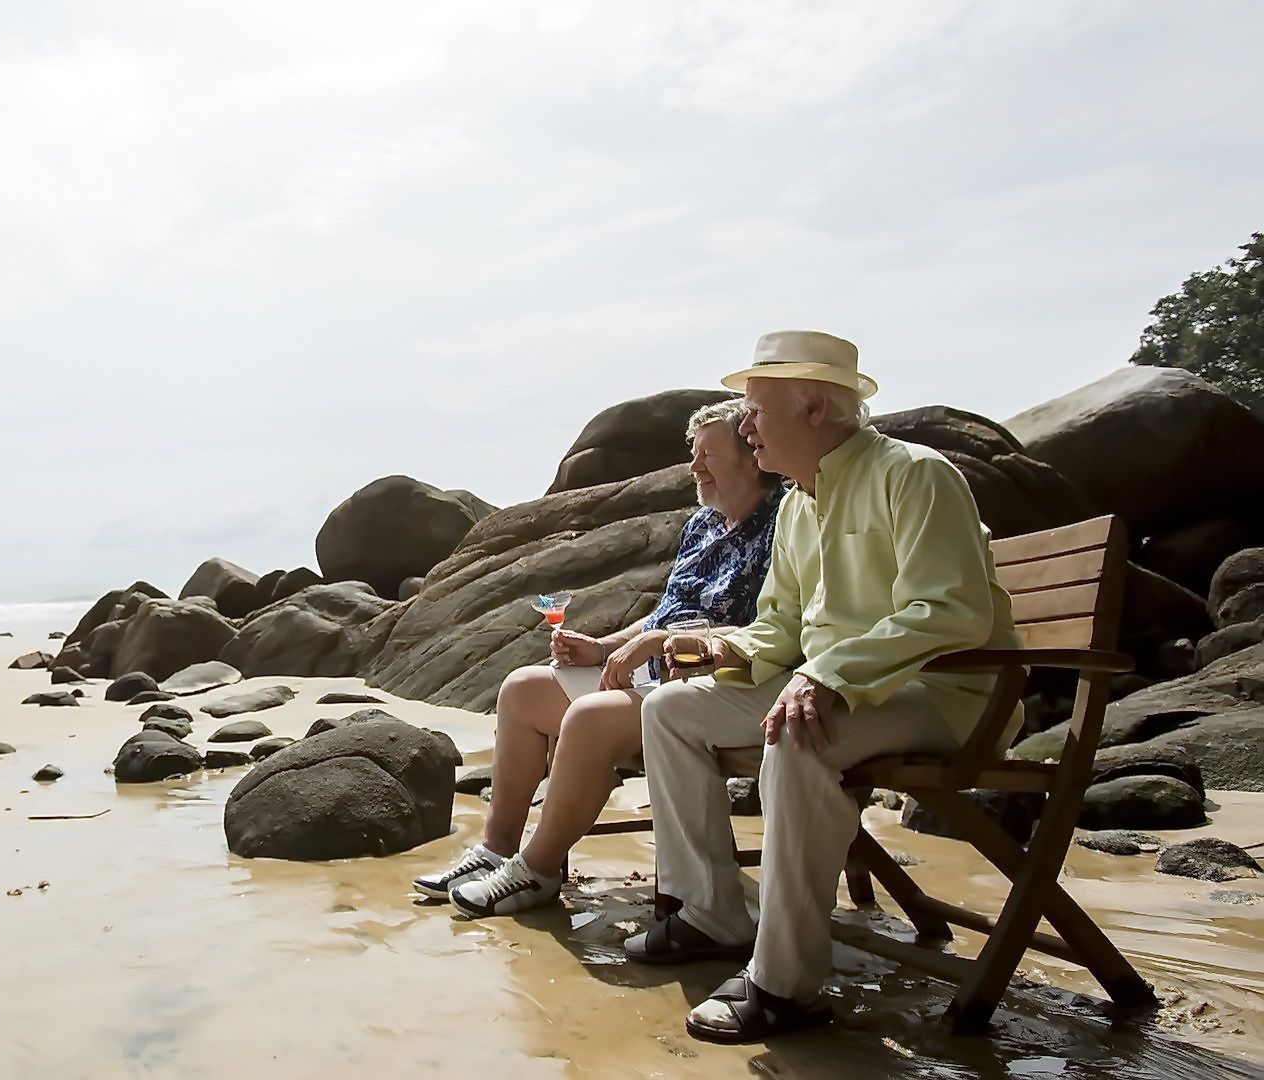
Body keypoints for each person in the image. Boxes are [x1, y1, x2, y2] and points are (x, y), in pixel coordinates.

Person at [621, 330, 1019, 1044]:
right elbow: (779, 629)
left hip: (945, 694)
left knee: (798, 737)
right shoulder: (796, 507)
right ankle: (710, 912)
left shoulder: (915, 474)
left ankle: (784, 984)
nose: (745, 427)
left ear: (813, 409)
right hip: (834, 689)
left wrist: (826, 673)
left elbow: (951, 610)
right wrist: (709, 647)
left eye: (755, 411)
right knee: (673, 709)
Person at [416, 397, 786, 917]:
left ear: (751, 459)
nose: (694, 467)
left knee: (588, 717)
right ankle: (495, 851)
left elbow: (776, 627)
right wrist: (605, 646)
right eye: (693, 454)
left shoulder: (783, 525)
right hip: (649, 676)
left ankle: (537, 870)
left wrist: (665, 644)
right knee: (522, 689)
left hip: (711, 686)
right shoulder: (702, 525)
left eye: (707, 455)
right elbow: (665, 613)